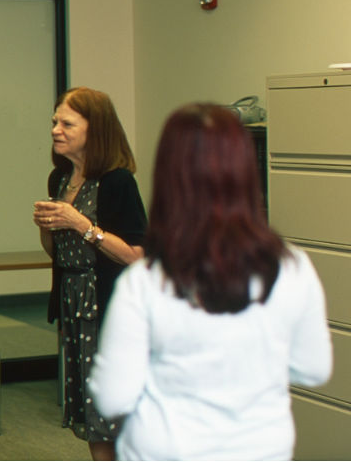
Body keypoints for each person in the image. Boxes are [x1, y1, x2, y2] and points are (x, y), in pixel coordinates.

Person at [90, 103, 333, 460]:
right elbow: (313, 369)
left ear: (167, 178)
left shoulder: (145, 282)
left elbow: (112, 396)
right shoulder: (292, 267)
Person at [32, 87, 146, 461]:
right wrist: (47, 227)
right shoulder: (59, 178)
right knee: (93, 415)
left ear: (94, 130)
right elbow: (58, 254)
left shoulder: (117, 181)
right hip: (74, 304)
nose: (55, 130)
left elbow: (135, 256)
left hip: (110, 311)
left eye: (66, 123)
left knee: (119, 415)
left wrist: (81, 224)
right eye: (54, 122)